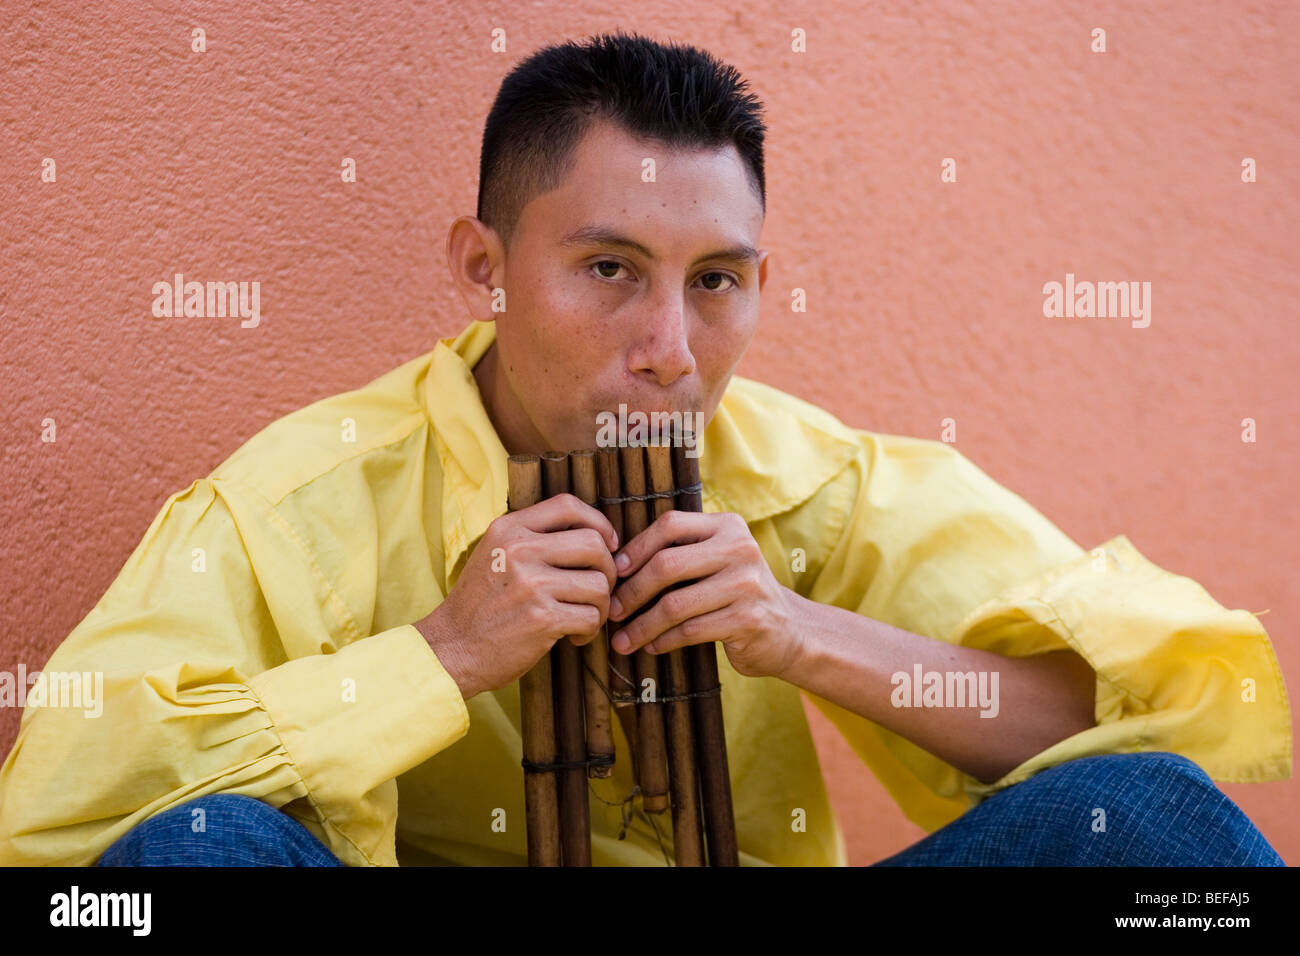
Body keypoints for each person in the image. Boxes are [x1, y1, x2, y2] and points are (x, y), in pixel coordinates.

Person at [1, 32, 1289, 868]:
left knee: (1164, 843)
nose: (671, 346)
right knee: (193, 861)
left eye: (717, 279)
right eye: (610, 268)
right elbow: (55, 834)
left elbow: (1156, 724)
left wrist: (798, 633)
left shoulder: (816, 485)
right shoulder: (297, 505)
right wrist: (437, 658)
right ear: (485, 270)